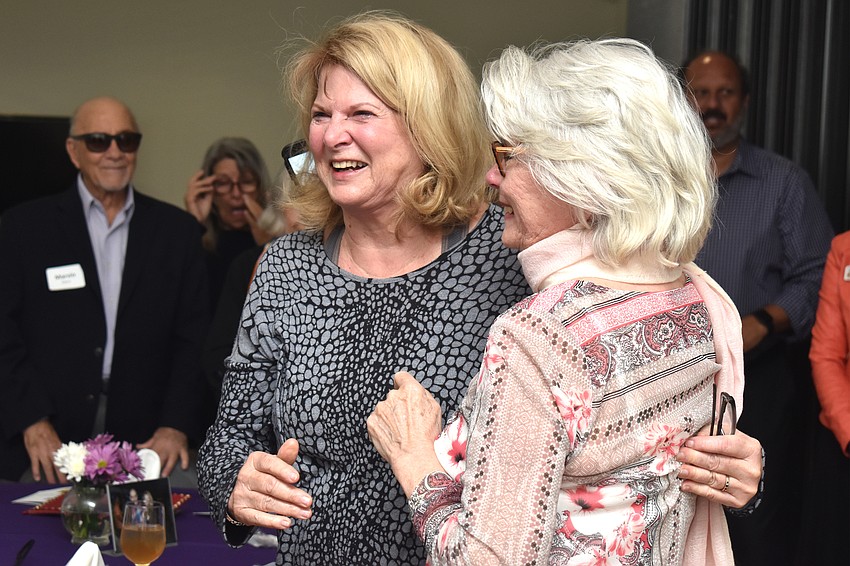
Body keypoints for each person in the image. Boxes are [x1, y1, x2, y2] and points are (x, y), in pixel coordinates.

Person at [198, 13, 764, 565]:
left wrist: (724, 465)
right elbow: (230, 436)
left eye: (361, 112)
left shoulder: (516, 250)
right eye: (321, 114)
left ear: (427, 127)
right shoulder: (285, 268)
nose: (332, 134)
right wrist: (237, 488)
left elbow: (629, 379)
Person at [367, 38, 753, 565]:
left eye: (508, 156)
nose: (491, 177)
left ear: (583, 177)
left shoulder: (540, 334)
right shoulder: (696, 299)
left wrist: (413, 458)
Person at [0, 96, 209, 487]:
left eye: (126, 140)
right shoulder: (23, 229)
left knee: (180, 520)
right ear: (73, 151)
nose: (115, 152)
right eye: (98, 141)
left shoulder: (177, 233)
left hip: (147, 432)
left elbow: (193, 340)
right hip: (51, 428)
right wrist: (30, 419)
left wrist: (175, 425)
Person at [682, 51, 834, 564]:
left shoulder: (784, 182)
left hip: (761, 380)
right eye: (701, 92)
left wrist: (764, 321)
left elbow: (816, 274)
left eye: (724, 93)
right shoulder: (660, 183)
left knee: (757, 526)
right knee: (678, 516)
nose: (712, 105)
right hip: (674, 378)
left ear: (744, 102)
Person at [184, 137, 283, 310]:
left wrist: (269, 244)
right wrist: (193, 226)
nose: (236, 194)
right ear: (209, 190)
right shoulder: (196, 242)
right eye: (223, 183)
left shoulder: (280, 241)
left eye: (246, 182)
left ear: (260, 185)